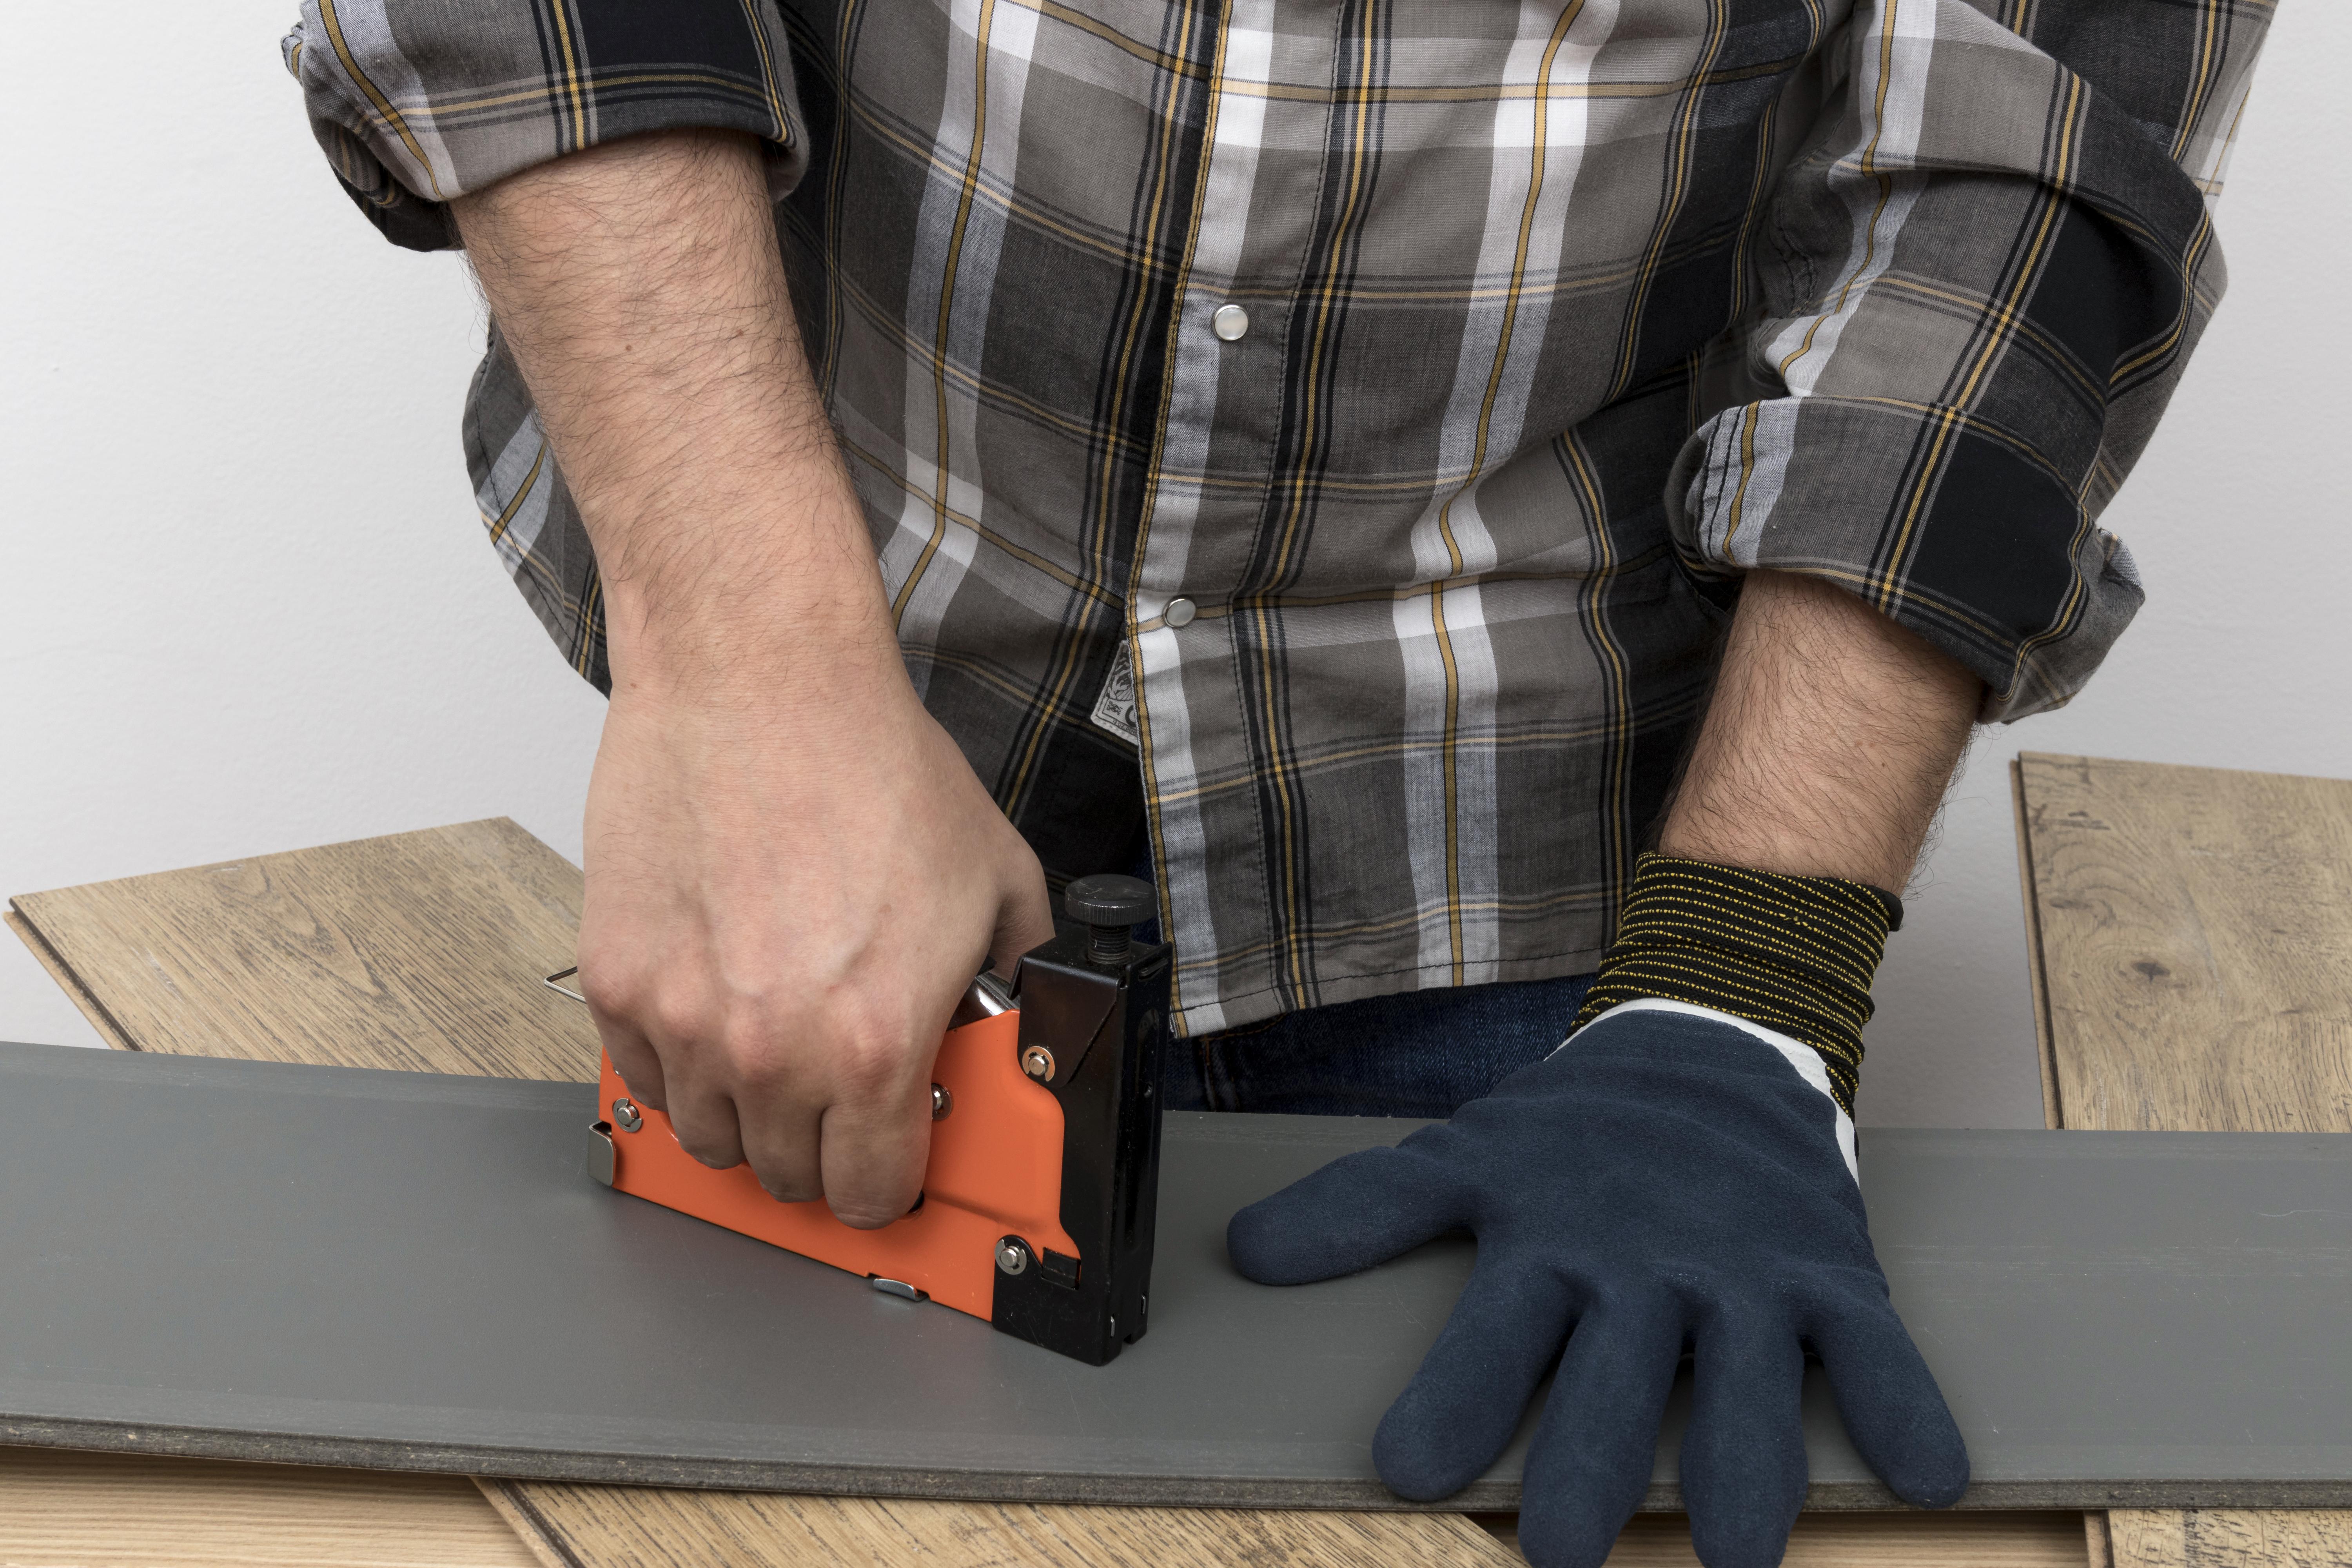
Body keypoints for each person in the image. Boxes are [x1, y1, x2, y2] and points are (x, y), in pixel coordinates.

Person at [285, 4, 2267, 1563]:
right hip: (818, 735)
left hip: (1544, 858)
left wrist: (1743, 971)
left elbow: (2022, 165)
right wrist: (745, 669)